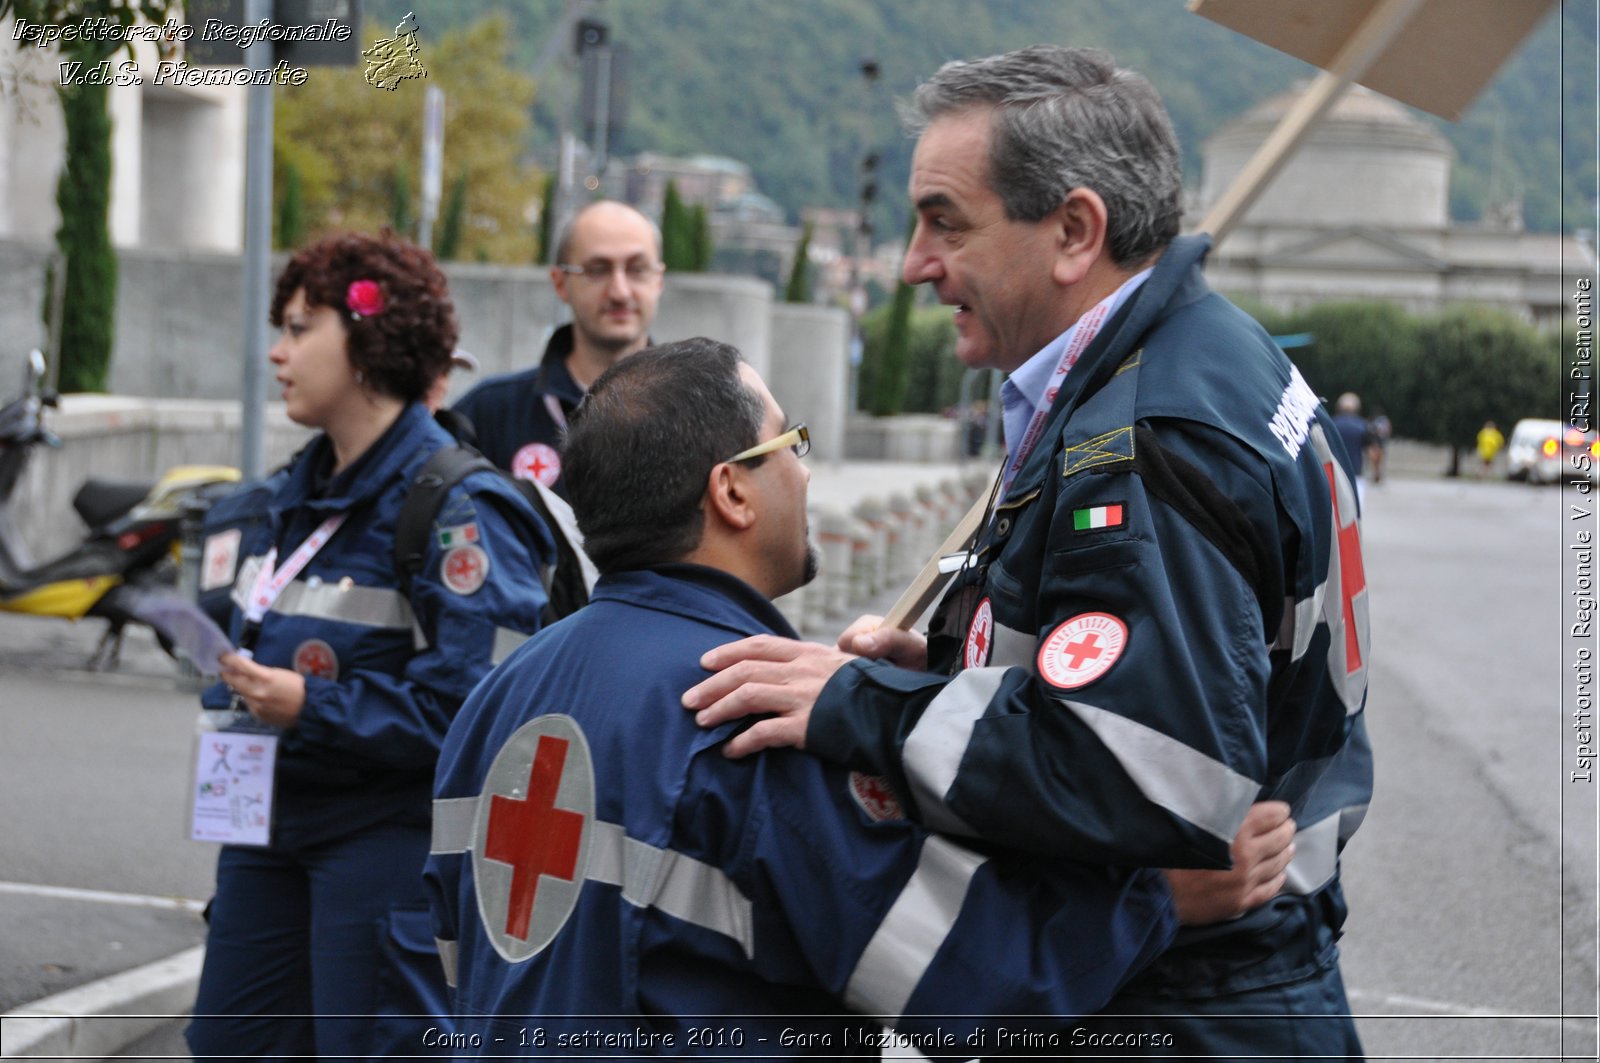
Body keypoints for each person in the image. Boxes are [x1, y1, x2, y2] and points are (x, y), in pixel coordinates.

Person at [683, 46, 1372, 1060]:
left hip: (1185, 1002)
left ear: (1073, 231)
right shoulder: (1207, 358)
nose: (916, 261)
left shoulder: (1142, 434)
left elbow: (1154, 768)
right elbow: (1131, 657)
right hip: (1227, 982)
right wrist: (956, 667)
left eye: (945, 221)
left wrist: (858, 706)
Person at [426, 338, 1284, 1053]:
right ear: (730, 489)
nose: (803, 471)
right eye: (787, 444)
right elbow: (967, 979)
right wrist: (1162, 896)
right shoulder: (751, 712)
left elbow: (466, 957)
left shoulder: (494, 700)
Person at [186, 231, 553, 1061]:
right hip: (268, 828)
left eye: (299, 327)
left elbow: (478, 715)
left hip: (384, 844)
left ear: (366, 344)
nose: (276, 352)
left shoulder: (461, 510)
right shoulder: (288, 496)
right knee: (229, 1047)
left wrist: (310, 705)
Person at [450, 200, 665, 495]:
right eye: (597, 270)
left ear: (659, 280)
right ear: (560, 283)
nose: (619, 291)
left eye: (637, 269)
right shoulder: (488, 415)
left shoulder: (700, 416)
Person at [1333, 391, 1375, 503]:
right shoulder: (1363, 426)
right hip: (1356, 474)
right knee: (1356, 512)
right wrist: (1376, 472)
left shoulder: (1331, 424)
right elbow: (1372, 451)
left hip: (1334, 474)